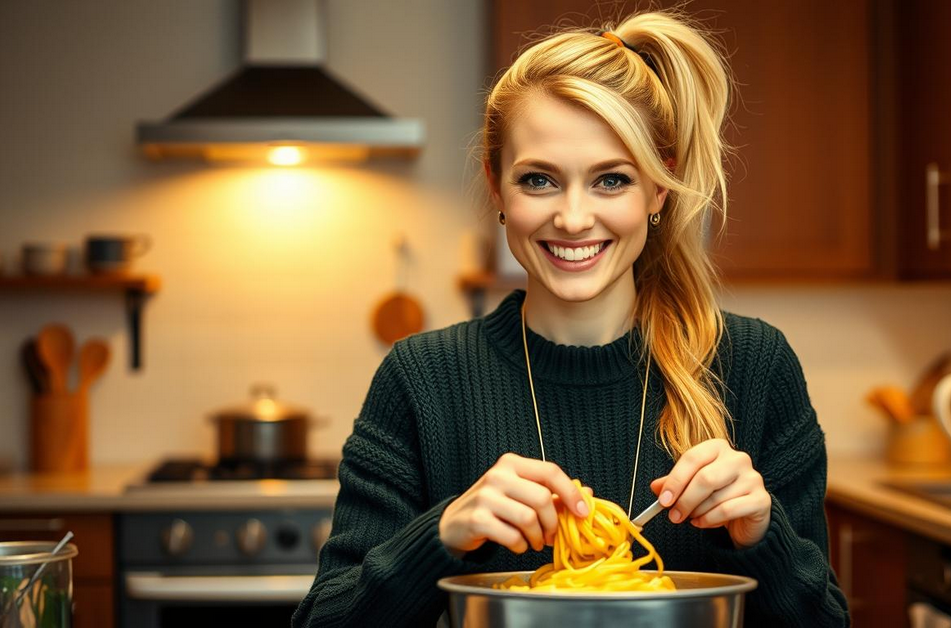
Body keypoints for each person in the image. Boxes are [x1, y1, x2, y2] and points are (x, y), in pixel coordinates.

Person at [294, 9, 849, 628]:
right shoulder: (422, 378)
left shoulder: (753, 365)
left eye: (611, 180)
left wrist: (763, 538)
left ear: (658, 189)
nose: (574, 218)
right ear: (497, 187)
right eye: (539, 180)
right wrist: (441, 535)